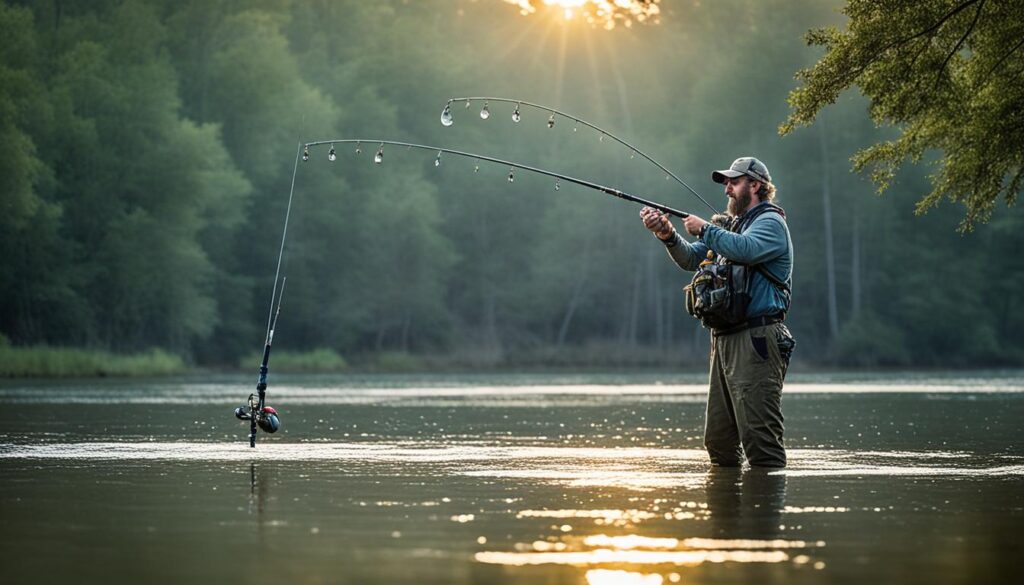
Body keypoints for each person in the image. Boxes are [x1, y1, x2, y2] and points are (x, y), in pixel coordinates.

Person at [640, 157, 795, 468]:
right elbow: (690, 259)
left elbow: (746, 249)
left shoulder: (771, 223)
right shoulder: (728, 228)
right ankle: (729, 514)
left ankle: (764, 512)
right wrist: (668, 234)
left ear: (755, 185)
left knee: (761, 443)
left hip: (757, 339)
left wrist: (706, 229)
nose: (727, 189)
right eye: (726, 183)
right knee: (719, 443)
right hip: (723, 340)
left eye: (733, 182)